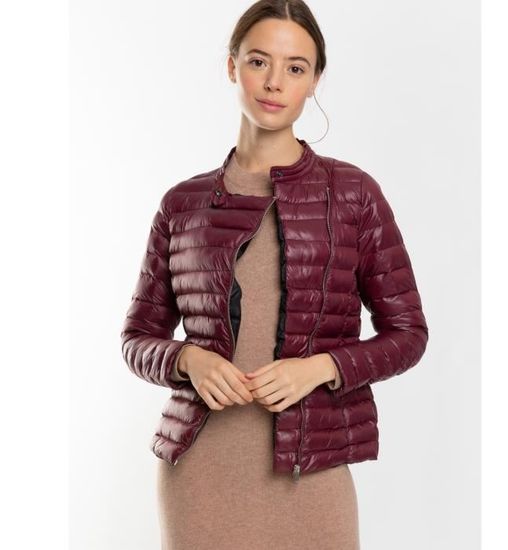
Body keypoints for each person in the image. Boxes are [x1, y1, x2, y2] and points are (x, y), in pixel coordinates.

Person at [120, 1, 428, 549]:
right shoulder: (182, 204)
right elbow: (137, 338)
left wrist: (320, 369)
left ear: (314, 80)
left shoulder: (352, 195)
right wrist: (187, 359)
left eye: (295, 67)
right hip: (201, 472)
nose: (274, 82)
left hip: (313, 472)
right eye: (259, 61)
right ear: (232, 66)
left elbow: (408, 334)